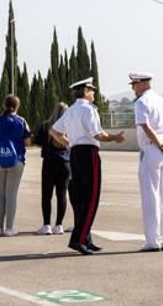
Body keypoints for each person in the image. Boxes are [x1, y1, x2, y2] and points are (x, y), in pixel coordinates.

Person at [50, 78, 124, 255]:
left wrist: (67, 142)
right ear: (85, 91)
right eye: (91, 89)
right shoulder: (88, 110)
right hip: (89, 153)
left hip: (75, 153)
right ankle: (79, 239)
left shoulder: (72, 110)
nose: (94, 93)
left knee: (82, 198)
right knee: (91, 198)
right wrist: (114, 137)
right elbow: (98, 134)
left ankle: (86, 238)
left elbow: (53, 130)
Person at [130, 71, 163, 252]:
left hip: (152, 149)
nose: (133, 89)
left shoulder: (142, 102)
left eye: (134, 84)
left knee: (150, 196)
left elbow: (144, 125)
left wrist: (159, 144)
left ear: (142, 83)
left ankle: (152, 241)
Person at [0, 95, 30, 235]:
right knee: (11, 195)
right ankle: (9, 228)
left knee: (1, 195)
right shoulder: (22, 121)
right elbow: (28, 142)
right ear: (17, 106)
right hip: (16, 161)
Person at [33, 102, 71, 235]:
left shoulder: (46, 125)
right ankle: (59, 225)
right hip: (65, 163)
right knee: (62, 195)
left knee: (46, 195)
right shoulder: (70, 126)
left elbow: (36, 141)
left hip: (49, 162)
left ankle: (46, 225)